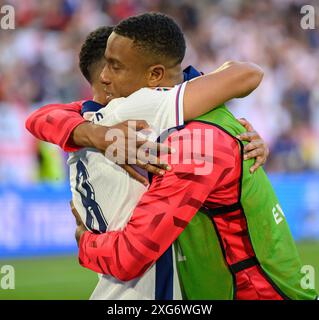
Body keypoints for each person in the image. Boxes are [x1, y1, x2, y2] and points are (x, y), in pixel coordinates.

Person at [71, 13, 316, 300]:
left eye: (115, 66)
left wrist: (83, 241)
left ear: (154, 75)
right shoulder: (198, 108)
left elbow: (130, 257)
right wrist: (87, 132)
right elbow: (54, 116)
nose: (104, 77)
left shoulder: (194, 147)